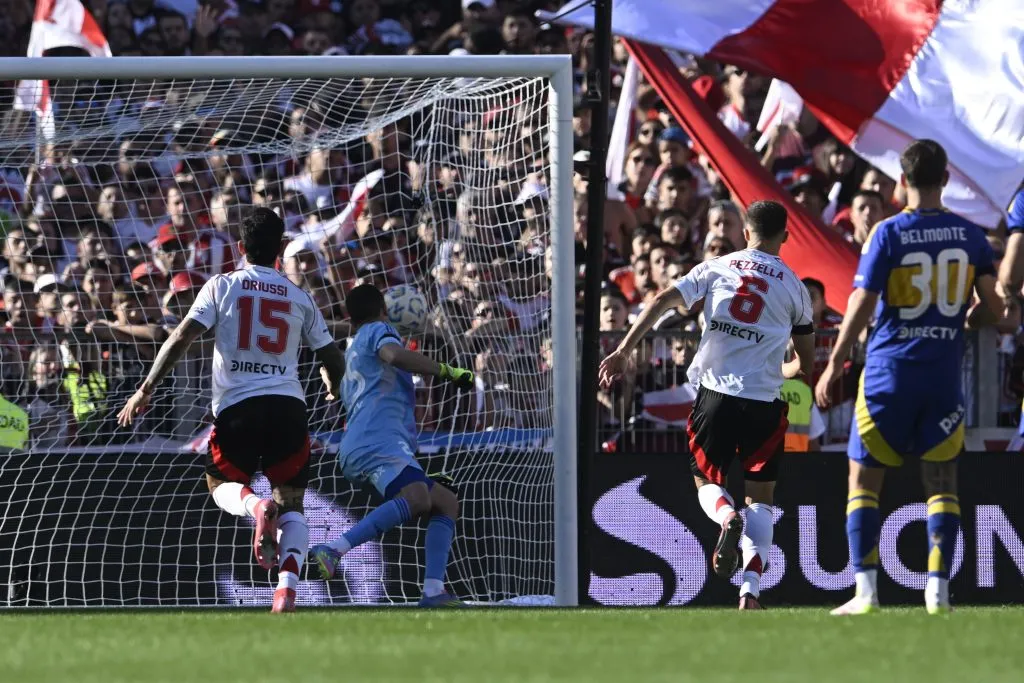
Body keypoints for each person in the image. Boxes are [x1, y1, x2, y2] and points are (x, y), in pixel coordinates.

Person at [116, 207, 345, 613]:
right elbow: (331, 354)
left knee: (218, 485)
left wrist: (146, 388)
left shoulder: (221, 286)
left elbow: (180, 337)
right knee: (293, 504)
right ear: (281, 249)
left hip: (238, 408)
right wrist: (332, 381)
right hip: (289, 409)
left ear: (240, 247)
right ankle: (286, 588)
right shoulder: (299, 297)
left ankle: (256, 507)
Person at [815, 139, 1003, 616]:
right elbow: (996, 308)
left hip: (888, 373)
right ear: (945, 180)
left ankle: (866, 592)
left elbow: (862, 301)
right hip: (942, 375)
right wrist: (969, 320)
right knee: (942, 481)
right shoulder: (970, 236)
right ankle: (938, 591)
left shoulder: (887, 233)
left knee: (863, 479)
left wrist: (836, 360)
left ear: (901, 182)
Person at [599, 200, 815, 610]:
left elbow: (664, 298)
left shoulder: (718, 267)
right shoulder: (795, 288)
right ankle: (750, 589)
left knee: (706, 481)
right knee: (762, 501)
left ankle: (724, 517)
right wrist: (782, 370)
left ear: (745, 233)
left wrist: (625, 350)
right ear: (785, 237)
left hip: (715, 398)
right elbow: (804, 361)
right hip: (764, 404)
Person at [307, 283, 475, 607]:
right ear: (383, 311)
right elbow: (394, 355)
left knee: (444, 501)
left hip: (365, 443)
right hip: (376, 442)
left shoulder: (355, 348)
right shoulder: (377, 331)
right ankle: (333, 550)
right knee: (417, 497)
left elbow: (349, 389)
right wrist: (447, 371)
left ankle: (433, 591)